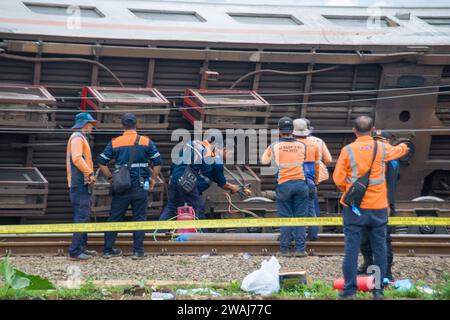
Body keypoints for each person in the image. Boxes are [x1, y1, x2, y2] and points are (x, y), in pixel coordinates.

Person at [333, 116, 409, 299]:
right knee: (379, 248)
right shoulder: (382, 147)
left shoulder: (348, 150)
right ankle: (377, 290)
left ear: (354, 130)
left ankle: (349, 290)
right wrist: (405, 145)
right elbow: (401, 150)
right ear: (373, 129)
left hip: (354, 208)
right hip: (378, 207)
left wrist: (350, 190)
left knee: (351, 248)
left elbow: (337, 179)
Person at [98, 113, 162, 260]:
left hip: (121, 185)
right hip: (141, 185)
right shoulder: (146, 141)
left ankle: (107, 250)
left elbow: (102, 162)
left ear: (122, 126)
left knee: (114, 217)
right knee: (139, 217)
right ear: (136, 125)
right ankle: (138, 252)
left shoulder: (115, 142)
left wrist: (110, 178)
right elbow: (157, 163)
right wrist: (152, 179)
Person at [261, 116, 309, 257]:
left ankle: (284, 249)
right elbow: (304, 160)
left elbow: (264, 161)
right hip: (301, 184)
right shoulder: (302, 145)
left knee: (286, 217)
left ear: (279, 130)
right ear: (292, 130)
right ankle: (300, 250)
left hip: (284, 185)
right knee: (300, 218)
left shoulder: (274, 146)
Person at [358, 130, 399, 281]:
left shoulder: (391, 159)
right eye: (375, 140)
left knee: (383, 239)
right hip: (367, 203)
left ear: (388, 143)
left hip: (383, 204)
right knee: (364, 237)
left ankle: (386, 272)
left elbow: (390, 186)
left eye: (381, 141)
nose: (378, 144)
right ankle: (369, 265)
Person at [159, 139, 216, 221]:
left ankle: (159, 230)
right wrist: (212, 156)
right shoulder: (206, 150)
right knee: (195, 207)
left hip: (174, 177)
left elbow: (175, 161)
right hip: (186, 179)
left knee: (171, 206)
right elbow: (206, 169)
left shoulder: (190, 143)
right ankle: (195, 232)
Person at [66, 112, 97, 261]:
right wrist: (90, 173)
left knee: (83, 216)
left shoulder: (79, 137)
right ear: (85, 124)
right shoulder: (78, 138)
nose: (92, 126)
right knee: (81, 216)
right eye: (91, 123)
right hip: (79, 184)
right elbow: (77, 159)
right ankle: (75, 251)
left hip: (80, 184)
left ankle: (81, 248)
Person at [301, 118, 332, 240]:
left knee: (299, 206)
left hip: (296, 177)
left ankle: (299, 235)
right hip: (314, 176)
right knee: (313, 204)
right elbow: (328, 160)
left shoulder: (293, 142)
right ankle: (313, 234)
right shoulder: (318, 141)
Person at [292, 119, 320, 240]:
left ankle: (296, 237)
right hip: (310, 181)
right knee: (311, 209)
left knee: (296, 210)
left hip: (296, 181)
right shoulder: (314, 145)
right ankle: (313, 235)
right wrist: (316, 181)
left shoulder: (291, 146)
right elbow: (317, 166)